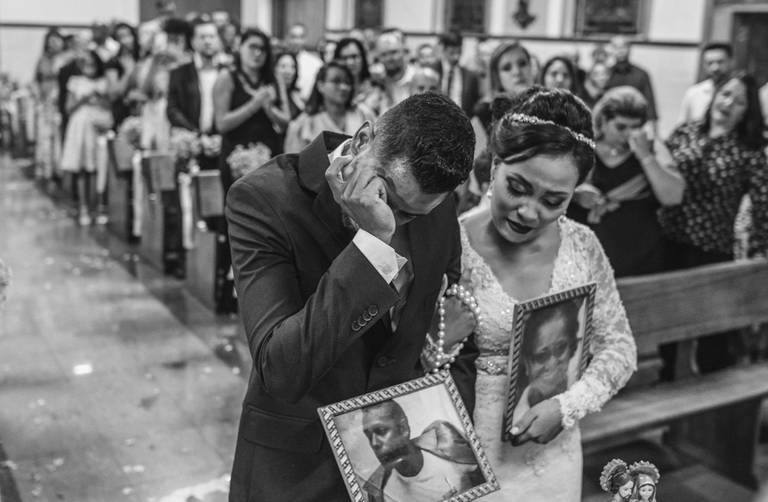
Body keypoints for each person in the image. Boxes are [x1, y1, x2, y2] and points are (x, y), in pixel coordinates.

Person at [225, 92, 478, 502]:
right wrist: (372, 246)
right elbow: (281, 369)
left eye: (412, 215)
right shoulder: (263, 199)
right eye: (390, 200)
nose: (396, 220)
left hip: (400, 466)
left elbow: (444, 304)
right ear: (362, 140)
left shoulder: (437, 205)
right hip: (299, 467)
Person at [423, 87, 636, 501]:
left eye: (554, 200)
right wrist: (439, 343)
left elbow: (620, 347)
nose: (529, 212)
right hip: (468, 453)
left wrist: (570, 405)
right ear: (495, 165)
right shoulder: (451, 245)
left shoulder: (582, 245)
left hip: (552, 451)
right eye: (517, 188)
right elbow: (403, 366)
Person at [659, 72, 767, 374]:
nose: (729, 103)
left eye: (740, 101)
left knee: (713, 342)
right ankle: (668, 386)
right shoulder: (686, 132)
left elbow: (763, 208)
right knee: (666, 326)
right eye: (726, 95)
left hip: (711, 249)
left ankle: (710, 410)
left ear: (748, 111)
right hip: (670, 241)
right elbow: (657, 174)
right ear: (715, 96)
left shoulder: (750, 149)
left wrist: (758, 262)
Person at [570, 86, 683, 277]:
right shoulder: (581, 146)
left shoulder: (653, 149)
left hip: (639, 261)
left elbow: (673, 196)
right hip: (584, 260)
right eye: (621, 127)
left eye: (636, 127)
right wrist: (575, 195)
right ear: (603, 121)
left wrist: (645, 156)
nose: (628, 135)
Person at [361, 400, 480, 502]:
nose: (374, 443)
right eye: (368, 436)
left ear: (403, 429)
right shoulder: (380, 492)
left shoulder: (449, 447)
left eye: (381, 431)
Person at [214, 27, 282, 192]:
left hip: (268, 152)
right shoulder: (227, 77)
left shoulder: (273, 78)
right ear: (240, 47)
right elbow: (222, 123)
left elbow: (287, 121)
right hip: (236, 154)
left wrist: (269, 108)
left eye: (262, 49)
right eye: (252, 47)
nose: (257, 53)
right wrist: (254, 104)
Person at [60, 50, 113, 226]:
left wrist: (99, 97)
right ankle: (83, 207)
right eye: (85, 64)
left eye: (92, 63)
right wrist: (83, 99)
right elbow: (68, 108)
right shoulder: (75, 82)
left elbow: (110, 105)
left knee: (97, 168)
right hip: (80, 126)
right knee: (83, 168)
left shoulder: (103, 82)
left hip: (98, 126)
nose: (88, 67)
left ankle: (98, 206)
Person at [513, 301, 581, 426]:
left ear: (572, 346)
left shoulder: (579, 388)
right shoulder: (515, 417)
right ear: (527, 364)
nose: (552, 363)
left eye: (561, 348)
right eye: (541, 356)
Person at [166, 16, 222, 170]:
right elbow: (172, 110)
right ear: (193, 41)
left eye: (212, 36)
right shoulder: (179, 73)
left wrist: (221, 137)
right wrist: (197, 135)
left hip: (221, 143)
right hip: (191, 143)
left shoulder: (228, 72)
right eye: (202, 37)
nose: (208, 41)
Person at [283, 61, 375, 153]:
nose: (343, 87)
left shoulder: (363, 114)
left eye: (347, 82)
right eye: (336, 81)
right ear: (320, 85)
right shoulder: (303, 125)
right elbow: (293, 163)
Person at [605, 36, 658, 132]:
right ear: (611, 50)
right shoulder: (606, 74)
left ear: (629, 49)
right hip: (612, 126)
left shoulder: (641, 74)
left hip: (636, 126)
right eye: (616, 47)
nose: (620, 51)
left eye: (623, 47)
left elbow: (650, 103)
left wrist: (653, 128)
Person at [33, 28, 66, 184]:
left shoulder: (65, 58)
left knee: (57, 137)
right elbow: (36, 80)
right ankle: (45, 170)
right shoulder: (43, 60)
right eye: (51, 41)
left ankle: (58, 171)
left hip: (60, 102)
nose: (53, 44)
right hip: (45, 102)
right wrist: (39, 97)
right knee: (45, 137)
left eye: (56, 40)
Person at [678, 42, 733, 125]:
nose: (715, 68)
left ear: (731, 62)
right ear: (704, 65)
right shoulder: (693, 93)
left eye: (720, 62)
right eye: (710, 63)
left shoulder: (742, 94)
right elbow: (682, 126)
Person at [333, 37, 383, 114]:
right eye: (344, 58)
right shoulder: (331, 89)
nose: (350, 62)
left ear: (363, 58)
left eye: (354, 56)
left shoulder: (376, 87)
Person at [437, 31, 481, 116]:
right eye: (452, 52)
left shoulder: (470, 76)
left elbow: (474, 101)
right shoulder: (434, 70)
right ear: (444, 49)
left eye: (459, 52)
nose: (456, 56)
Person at [105, 22, 140, 127]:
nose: (126, 40)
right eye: (120, 37)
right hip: (123, 113)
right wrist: (128, 72)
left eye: (128, 35)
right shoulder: (113, 62)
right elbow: (113, 94)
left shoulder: (143, 57)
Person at [373, 31, 415, 113]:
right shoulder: (377, 82)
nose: (389, 58)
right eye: (384, 54)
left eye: (393, 52)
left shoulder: (417, 78)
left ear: (403, 52)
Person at [285, 22, 323, 102]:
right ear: (287, 38)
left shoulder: (316, 63)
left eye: (300, 37)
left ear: (305, 39)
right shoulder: (279, 61)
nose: (296, 41)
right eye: (293, 37)